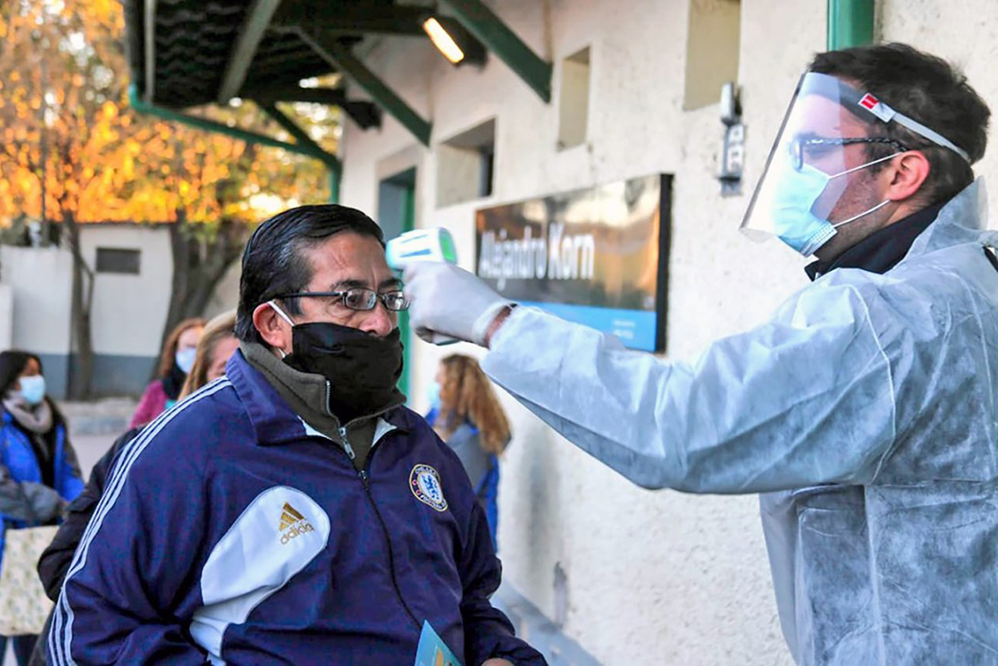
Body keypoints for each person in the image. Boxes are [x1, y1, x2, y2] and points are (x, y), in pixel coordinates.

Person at [403, 43, 998, 663]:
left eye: (815, 149)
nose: (794, 164)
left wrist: (493, 321)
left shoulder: (895, 317)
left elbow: (677, 425)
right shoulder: (973, 276)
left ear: (902, 174)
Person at [50, 206, 542, 665]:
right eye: (351, 299)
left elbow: (471, 600)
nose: (380, 322)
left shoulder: (419, 445)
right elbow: (88, 632)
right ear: (273, 324)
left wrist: (497, 654)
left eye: (390, 298)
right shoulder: (184, 451)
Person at [28, 311, 239, 666]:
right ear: (199, 379)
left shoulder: (295, 468)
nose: (242, 386)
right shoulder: (140, 451)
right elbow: (60, 563)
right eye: (225, 373)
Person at [0, 351, 84, 665]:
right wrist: (49, 502)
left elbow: (71, 472)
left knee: (34, 629)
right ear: (8, 378)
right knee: (3, 625)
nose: (36, 380)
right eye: (27, 373)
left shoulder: (52, 419)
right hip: (6, 539)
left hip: (45, 539)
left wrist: (77, 508)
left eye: (38, 372)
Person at [426, 354, 510, 548]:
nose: (434, 383)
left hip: (467, 550)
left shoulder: (473, 439)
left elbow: (449, 498)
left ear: (454, 386)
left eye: (440, 378)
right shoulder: (435, 419)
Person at [129, 317, 205, 428]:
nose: (193, 353)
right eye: (189, 346)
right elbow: (134, 430)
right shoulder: (157, 390)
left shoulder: (214, 392)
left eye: (198, 348)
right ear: (175, 349)